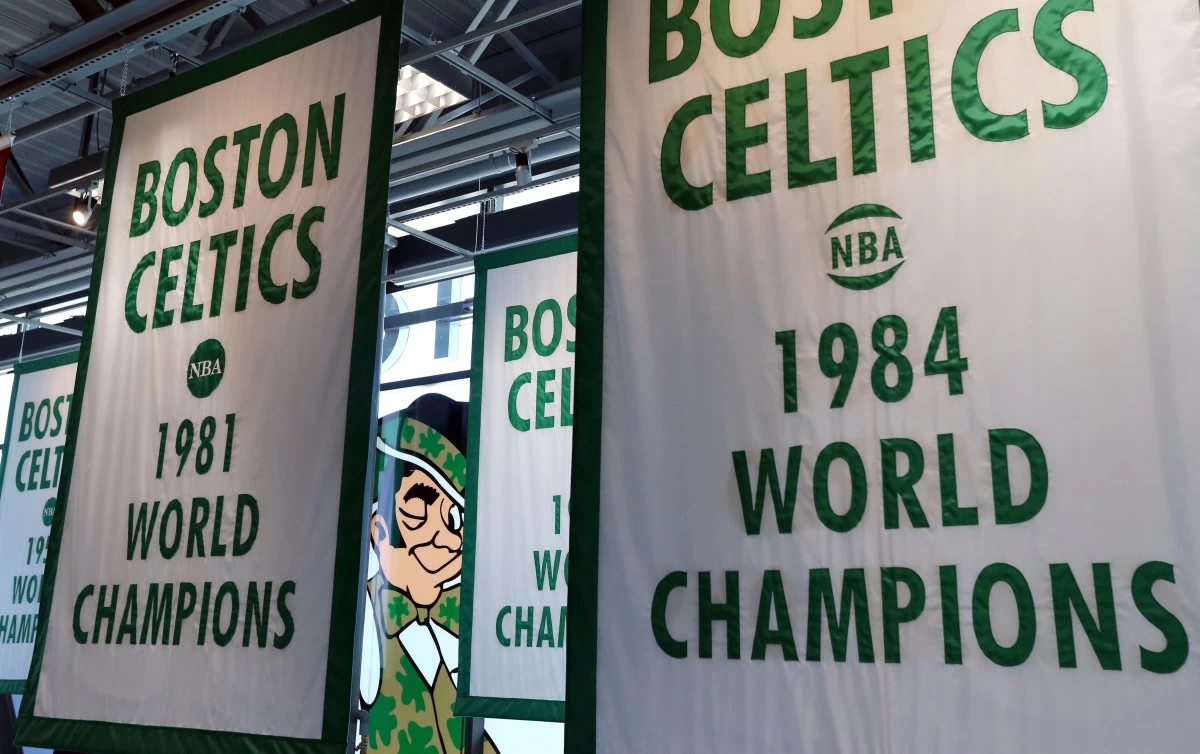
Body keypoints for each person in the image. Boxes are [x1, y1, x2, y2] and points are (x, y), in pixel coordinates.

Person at [360, 393, 498, 754]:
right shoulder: (359, 625)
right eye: (419, 509)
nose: (444, 535)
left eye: (454, 517)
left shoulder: (469, 626)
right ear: (379, 529)